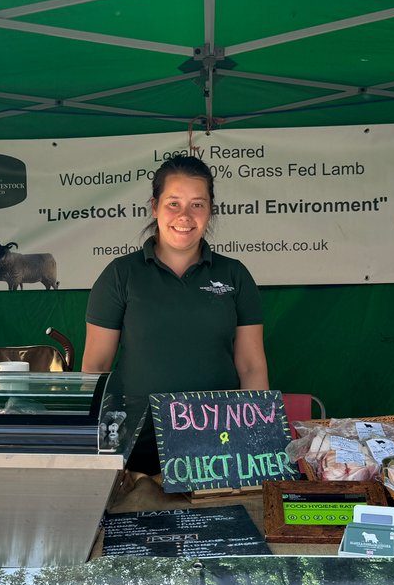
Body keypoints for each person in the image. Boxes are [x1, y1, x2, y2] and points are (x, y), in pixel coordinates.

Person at [83, 154, 269, 471]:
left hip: (217, 443)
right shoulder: (120, 274)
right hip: (137, 444)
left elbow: (251, 367)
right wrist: (96, 441)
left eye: (197, 204)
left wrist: (256, 438)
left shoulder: (234, 275)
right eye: (173, 203)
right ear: (154, 206)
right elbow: (95, 366)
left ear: (210, 210)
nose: (185, 215)